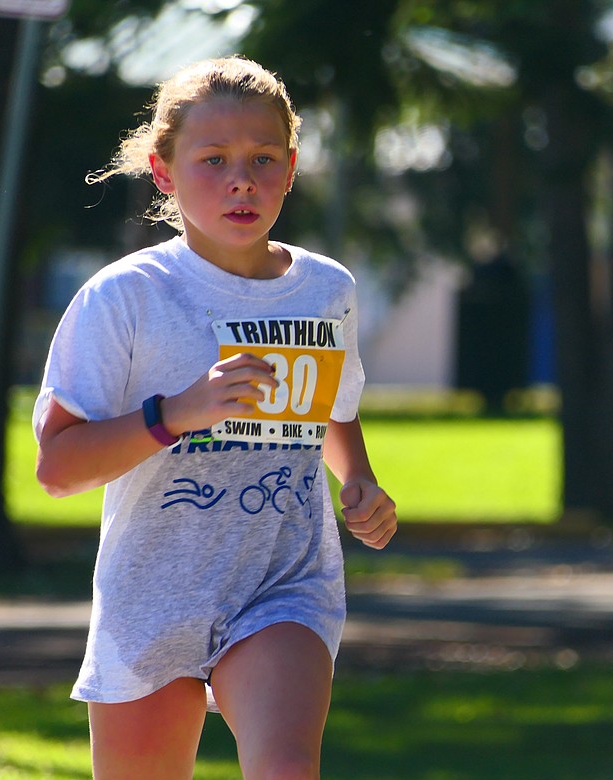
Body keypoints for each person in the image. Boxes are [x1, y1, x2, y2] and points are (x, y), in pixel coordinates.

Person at [33, 55, 397, 780]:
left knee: (286, 769)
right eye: (214, 160)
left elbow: (329, 408)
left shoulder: (326, 290)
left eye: (264, 159)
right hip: (152, 592)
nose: (243, 180)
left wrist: (359, 480)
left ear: (291, 169)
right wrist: (175, 413)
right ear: (162, 171)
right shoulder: (125, 298)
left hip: (283, 584)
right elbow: (58, 467)